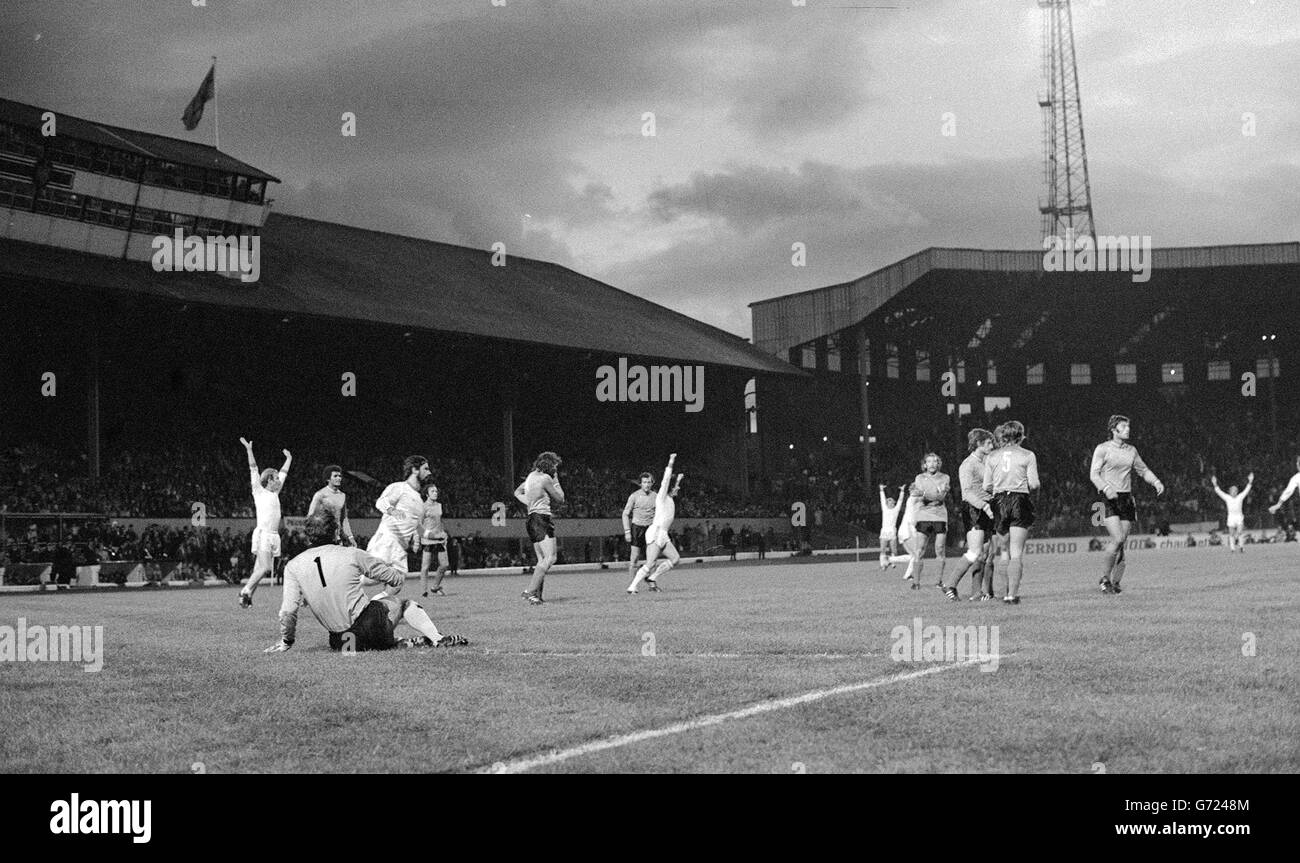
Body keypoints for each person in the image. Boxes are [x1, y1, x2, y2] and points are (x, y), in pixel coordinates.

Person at [261, 512, 467, 654]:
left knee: (364, 636)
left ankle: (396, 642)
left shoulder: (293, 566)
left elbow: (288, 612)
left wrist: (287, 642)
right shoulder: (351, 554)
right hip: (368, 625)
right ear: (335, 533)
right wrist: (380, 595)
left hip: (340, 641)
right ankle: (439, 639)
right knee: (403, 604)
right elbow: (395, 578)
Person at [1089, 415, 1164, 595]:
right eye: (1124, 426)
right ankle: (1104, 578)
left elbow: (1143, 469)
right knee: (1118, 538)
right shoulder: (1103, 449)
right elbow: (1094, 474)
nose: (1128, 429)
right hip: (1108, 498)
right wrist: (1106, 488)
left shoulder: (1132, 450)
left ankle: (1115, 583)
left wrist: (1156, 482)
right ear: (1114, 430)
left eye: (1128, 426)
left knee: (1122, 543)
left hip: (1126, 499)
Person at [983, 421, 1040, 605]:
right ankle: (1012, 595)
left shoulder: (992, 456)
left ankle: (1005, 592)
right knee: (1016, 552)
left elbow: (986, 486)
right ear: (1020, 436)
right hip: (1019, 500)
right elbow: (1034, 483)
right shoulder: (1027, 455)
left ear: (1003, 436)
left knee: (1004, 551)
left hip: (999, 501)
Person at [943, 428, 997, 601]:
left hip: (989, 507)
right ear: (979, 444)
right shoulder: (967, 465)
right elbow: (966, 493)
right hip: (975, 509)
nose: (992, 445)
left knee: (985, 554)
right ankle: (949, 585)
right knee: (974, 552)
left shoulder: (987, 461)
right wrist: (985, 507)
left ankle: (977, 593)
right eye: (988, 442)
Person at [237, 438, 291, 608]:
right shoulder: (259, 491)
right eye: (275, 479)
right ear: (268, 480)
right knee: (265, 568)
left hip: (273, 535)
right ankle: (244, 591)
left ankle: (247, 598)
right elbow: (253, 469)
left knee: (258, 569)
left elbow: (284, 473)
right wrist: (249, 450)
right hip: (264, 534)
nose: (279, 481)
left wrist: (289, 459)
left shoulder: (275, 493)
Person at [365, 456, 429, 599]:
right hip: (387, 539)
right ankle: (336, 586)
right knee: (370, 578)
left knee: (396, 584)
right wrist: (393, 511)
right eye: (425, 468)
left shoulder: (419, 500)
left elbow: (415, 524)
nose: (429, 472)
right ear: (414, 470)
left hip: (401, 548)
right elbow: (381, 502)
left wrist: (416, 538)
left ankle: (371, 607)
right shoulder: (399, 487)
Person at [628, 454, 682, 593]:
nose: (678, 489)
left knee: (675, 559)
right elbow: (666, 480)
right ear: (669, 488)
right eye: (676, 487)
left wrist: (678, 480)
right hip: (656, 532)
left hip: (663, 534)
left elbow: (673, 485)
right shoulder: (662, 496)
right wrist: (671, 461)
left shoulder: (669, 498)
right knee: (650, 563)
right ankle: (632, 586)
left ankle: (652, 578)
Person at [514, 451, 564, 605]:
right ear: (549, 465)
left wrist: (529, 502)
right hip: (542, 519)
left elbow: (517, 492)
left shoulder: (530, 477)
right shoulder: (546, 478)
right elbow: (560, 499)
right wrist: (556, 481)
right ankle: (529, 591)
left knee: (541, 560)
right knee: (551, 558)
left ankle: (537, 596)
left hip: (531, 519)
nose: (556, 469)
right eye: (555, 466)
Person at [910, 453, 951, 589]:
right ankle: (916, 583)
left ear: (938, 463)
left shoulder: (945, 477)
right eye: (929, 461)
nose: (932, 464)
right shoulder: (919, 477)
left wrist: (923, 494)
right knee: (919, 550)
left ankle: (938, 581)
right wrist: (929, 495)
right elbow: (918, 494)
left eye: (935, 461)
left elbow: (940, 497)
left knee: (939, 549)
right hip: (923, 515)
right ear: (925, 464)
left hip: (940, 516)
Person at [622, 472, 657, 586]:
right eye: (644, 482)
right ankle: (632, 585)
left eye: (648, 482)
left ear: (652, 483)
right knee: (635, 557)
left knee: (652, 558)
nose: (646, 484)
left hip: (651, 529)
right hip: (637, 528)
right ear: (640, 484)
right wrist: (627, 531)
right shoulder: (634, 496)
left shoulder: (655, 496)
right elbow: (625, 514)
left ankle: (652, 584)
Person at [307, 465, 355, 546]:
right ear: (328, 479)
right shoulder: (320, 494)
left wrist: (350, 537)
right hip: (322, 537)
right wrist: (310, 537)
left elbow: (344, 519)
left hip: (337, 538)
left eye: (340, 476)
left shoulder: (342, 495)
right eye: (335, 476)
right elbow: (310, 516)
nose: (339, 478)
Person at [418, 484, 450, 597]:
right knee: (425, 567)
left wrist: (444, 532)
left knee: (445, 565)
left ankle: (435, 586)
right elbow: (419, 525)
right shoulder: (422, 507)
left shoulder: (439, 505)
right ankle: (424, 591)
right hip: (428, 540)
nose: (435, 493)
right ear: (427, 494)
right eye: (432, 491)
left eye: (436, 491)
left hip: (440, 539)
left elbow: (440, 521)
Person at [1211, 473, 1253, 553]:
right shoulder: (1227, 498)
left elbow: (1246, 490)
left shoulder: (1240, 497)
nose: (1234, 492)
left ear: (1237, 492)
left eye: (1235, 490)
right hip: (1231, 517)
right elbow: (1219, 492)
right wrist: (1215, 484)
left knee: (1240, 532)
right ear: (1230, 492)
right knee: (1231, 534)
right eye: (1232, 490)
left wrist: (1250, 481)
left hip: (1239, 517)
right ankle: (1232, 548)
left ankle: (1241, 547)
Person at [877, 484, 905, 570]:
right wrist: (881, 490)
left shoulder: (895, 510)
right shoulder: (885, 509)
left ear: (893, 503)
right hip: (884, 531)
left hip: (892, 531)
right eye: (888, 501)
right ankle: (883, 565)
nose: (890, 503)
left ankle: (892, 563)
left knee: (894, 550)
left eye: (891, 501)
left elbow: (900, 501)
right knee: (882, 549)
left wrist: (902, 491)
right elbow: (882, 499)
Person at [1266, 456, 1300, 522]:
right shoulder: (1296, 477)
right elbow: (1288, 492)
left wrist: (1278, 504)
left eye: (1297, 462)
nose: (1296, 464)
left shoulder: (1296, 477)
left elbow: (1288, 492)